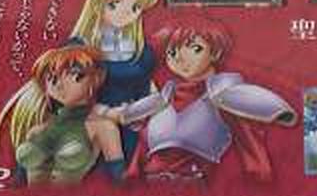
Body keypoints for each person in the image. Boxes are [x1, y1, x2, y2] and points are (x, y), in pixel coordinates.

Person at [105, 19, 296, 184]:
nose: (180, 59)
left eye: (195, 48)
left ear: (215, 52)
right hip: (153, 187)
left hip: (195, 184)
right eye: (172, 52)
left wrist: (258, 182)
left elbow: (250, 146)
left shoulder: (223, 94)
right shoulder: (164, 98)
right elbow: (142, 145)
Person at [0, 45, 124, 185]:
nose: (59, 85)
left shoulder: (103, 127)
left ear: (95, 79)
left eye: (75, 76)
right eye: (52, 78)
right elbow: (18, 182)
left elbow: (118, 179)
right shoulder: (38, 130)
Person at [67, 0, 159, 154]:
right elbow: (69, 97)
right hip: (91, 130)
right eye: (114, 5)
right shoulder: (78, 48)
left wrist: (153, 106)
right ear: (97, 6)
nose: (125, 13)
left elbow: (148, 87)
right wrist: (108, 113)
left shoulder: (141, 49)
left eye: (135, 7)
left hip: (135, 128)